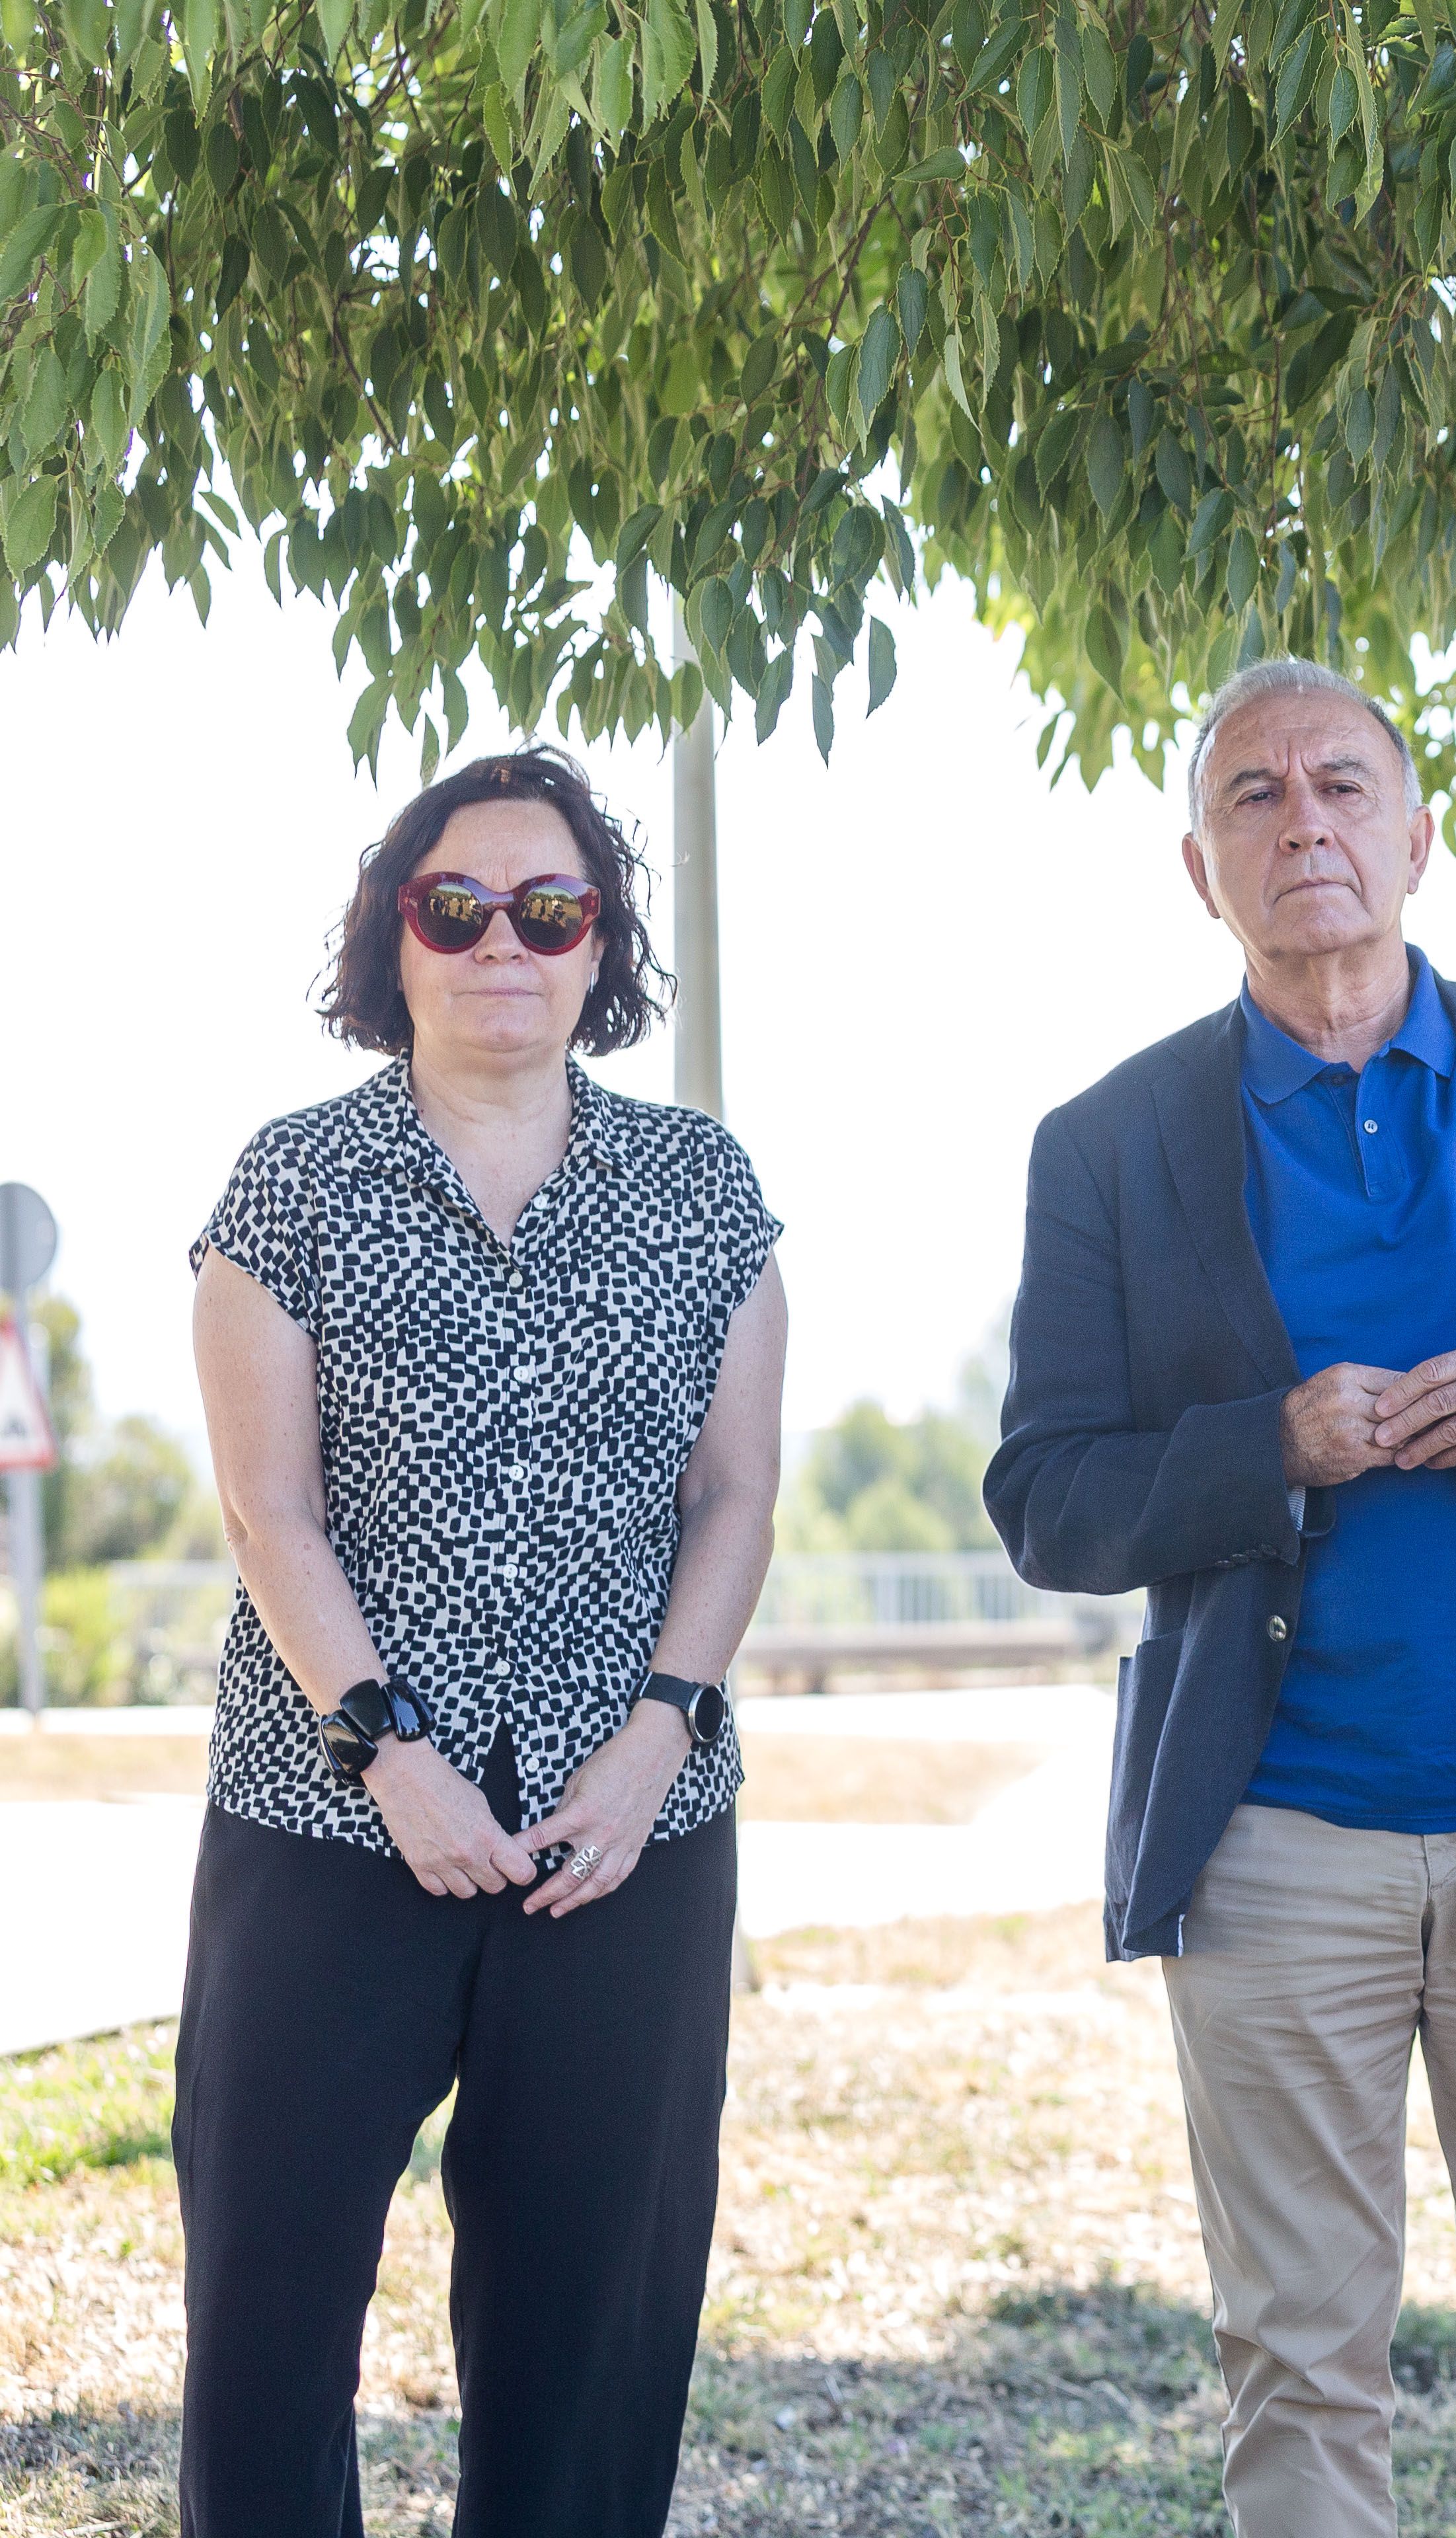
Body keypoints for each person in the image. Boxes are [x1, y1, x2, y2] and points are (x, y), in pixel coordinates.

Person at [982, 659, 1456, 2538]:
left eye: (1345, 786)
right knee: (1299, 2372)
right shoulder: (1110, 1145)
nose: (1307, 825)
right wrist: (1267, 1446)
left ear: (1420, 830)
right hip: (1276, 1835)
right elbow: (1045, 1502)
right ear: (1197, 868)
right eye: (1258, 797)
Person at [181, 748, 785, 2535]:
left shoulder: (701, 1188)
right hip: (324, 1824)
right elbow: (266, 1508)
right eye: (456, 909)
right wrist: (390, 1749)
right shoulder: (293, 1182)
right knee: (271, 2321)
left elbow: (736, 1497)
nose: (502, 943)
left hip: (631, 1839)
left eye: (551, 908)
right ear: (396, 938)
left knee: (591, 2334)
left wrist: (659, 1733)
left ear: (603, 949)